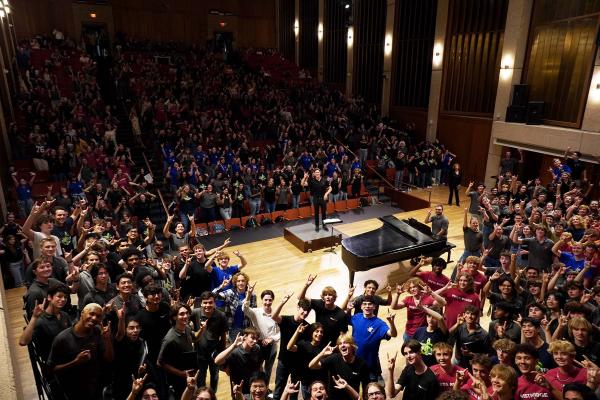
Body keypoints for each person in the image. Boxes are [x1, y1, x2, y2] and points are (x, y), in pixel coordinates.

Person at [47, 303, 114, 399]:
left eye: (98, 316)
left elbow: (109, 359)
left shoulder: (98, 331)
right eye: (91, 314)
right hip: (73, 388)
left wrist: (107, 340)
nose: (94, 318)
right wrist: (75, 362)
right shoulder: (62, 338)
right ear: (82, 313)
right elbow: (50, 370)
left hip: (96, 384)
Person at [271, 295, 312, 400]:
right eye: (304, 310)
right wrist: (282, 302)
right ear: (298, 308)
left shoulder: (307, 327)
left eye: (308, 311)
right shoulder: (286, 320)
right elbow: (274, 317)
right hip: (283, 361)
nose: (305, 313)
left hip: (297, 364)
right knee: (278, 390)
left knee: (294, 392)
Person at [18, 282, 72, 361]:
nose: (63, 299)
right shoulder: (40, 321)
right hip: (54, 361)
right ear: (49, 297)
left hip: (67, 353)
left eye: (65, 297)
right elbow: (23, 342)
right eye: (59, 296)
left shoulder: (65, 315)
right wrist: (34, 317)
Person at [308, 333, 370, 400]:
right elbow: (312, 366)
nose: (342, 345)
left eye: (345, 343)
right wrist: (322, 354)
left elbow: (366, 389)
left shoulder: (361, 364)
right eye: (340, 344)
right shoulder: (334, 358)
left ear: (352, 345)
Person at [350, 295, 397, 381]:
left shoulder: (379, 324)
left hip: (370, 366)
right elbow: (345, 319)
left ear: (374, 307)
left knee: (371, 390)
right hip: (354, 363)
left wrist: (391, 323)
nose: (367, 306)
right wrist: (348, 309)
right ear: (361, 306)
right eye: (364, 304)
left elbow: (393, 334)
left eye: (370, 304)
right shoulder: (356, 317)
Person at [158, 303, 198, 398]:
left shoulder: (187, 328)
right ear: (174, 317)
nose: (185, 316)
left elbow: (194, 339)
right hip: (178, 382)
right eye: (181, 314)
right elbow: (160, 363)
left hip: (190, 376)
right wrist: (181, 374)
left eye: (187, 313)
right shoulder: (169, 339)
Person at [191, 291, 228, 392]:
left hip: (214, 353)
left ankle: (212, 395)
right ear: (201, 303)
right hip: (199, 353)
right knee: (200, 377)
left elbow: (223, 336)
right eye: (205, 302)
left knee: (214, 376)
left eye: (210, 302)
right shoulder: (195, 312)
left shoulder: (221, 315)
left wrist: (222, 354)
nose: (208, 305)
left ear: (214, 303)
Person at [298, 275, 349, 346]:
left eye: (330, 295)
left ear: (334, 298)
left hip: (331, 345)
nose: (328, 297)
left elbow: (344, 334)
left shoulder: (341, 314)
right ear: (323, 297)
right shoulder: (318, 304)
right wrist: (306, 285)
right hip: (317, 341)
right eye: (325, 295)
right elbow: (300, 298)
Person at [243, 288, 280, 384]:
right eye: (265, 300)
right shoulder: (255, 312)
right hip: (257, 345)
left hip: (271, 346)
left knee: (268, 369)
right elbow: (245, 309)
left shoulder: (276, 314)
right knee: (256, 368)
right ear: (262, 300)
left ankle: (266, 388)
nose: (268, 302)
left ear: (272, 300)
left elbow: (280, 332)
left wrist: (271, 338)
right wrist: (248, 295)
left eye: (270, 300)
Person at [214, 327, 263, 395]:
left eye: (256, 339)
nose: (255, 341)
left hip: (254, 389)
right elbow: (217, 361)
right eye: (252, 338)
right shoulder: (235, 352)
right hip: (239, 389)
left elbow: (259, 366)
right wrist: (233, 345)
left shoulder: (256, 348)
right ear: (245, 337)